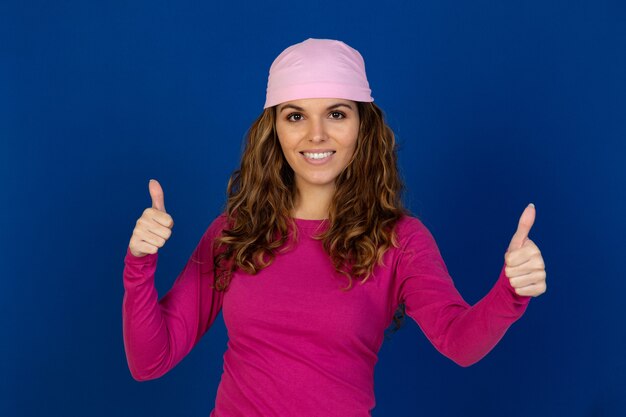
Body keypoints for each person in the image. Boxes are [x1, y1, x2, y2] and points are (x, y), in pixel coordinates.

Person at [122, 38, 547, 416]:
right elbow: (149, 362)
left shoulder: (399, 241)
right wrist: (139, 264)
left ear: (363, 126)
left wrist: (510, 292)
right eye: (295, 117)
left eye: (336, 114)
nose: (316, 134)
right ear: (274, 129)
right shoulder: (235, 231)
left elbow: (459, 342)